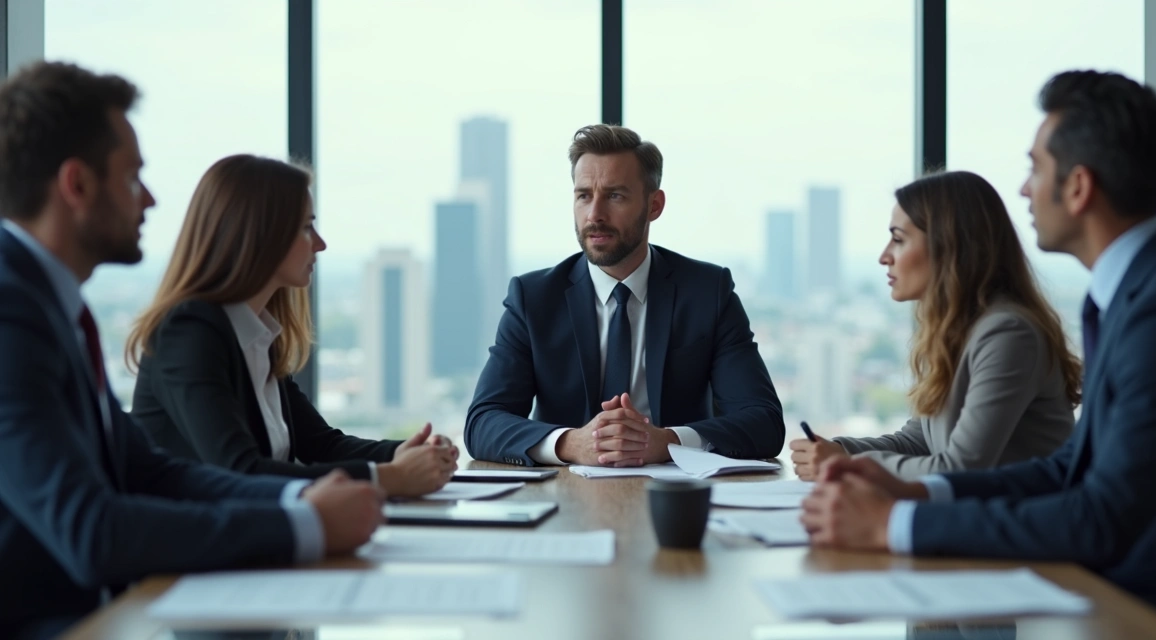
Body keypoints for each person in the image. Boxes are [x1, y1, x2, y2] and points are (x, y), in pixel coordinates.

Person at [800, 70, 1156, 636]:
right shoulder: (1133, 292)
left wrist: (897, 525)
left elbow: (1101, 516)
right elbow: (1071, 468)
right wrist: (916, 489)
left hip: (1155, 613)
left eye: (1034, 168)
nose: (1023, 190)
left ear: (1078, 188)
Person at [0, 62, 384, 640]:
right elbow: (91, 531)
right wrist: (301, 524)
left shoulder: (49, 307)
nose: (151, 199)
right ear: (77, 185)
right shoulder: (12, 316)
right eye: (133, 178)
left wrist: (303, 498)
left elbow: (153, 472)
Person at [127, 154, 457, 498]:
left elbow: (321, 445)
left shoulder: (254, 333)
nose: (320, 243)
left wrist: (406, 454)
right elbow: (241, 471)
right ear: (257, 235)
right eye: (305, 227)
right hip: (192, 546)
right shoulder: (188, 333)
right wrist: (387, 477)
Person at [464, 124, 784, 467]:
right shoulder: (534, 299)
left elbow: (763, 422)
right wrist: (570, 443)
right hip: (565, 502)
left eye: (615, 195)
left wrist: (669, 441)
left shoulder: (707, 292)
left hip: (675, 502)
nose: (595, 215)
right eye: (584, 195)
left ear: (654, 206)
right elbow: (483, 422)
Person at [790, 171, 1080, 481]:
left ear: (948, 247)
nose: (884, 256)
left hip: (1021, 523)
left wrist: (848, 463)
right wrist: (839, 450)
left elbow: (960, 468)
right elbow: (919, 442)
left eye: (898, 240)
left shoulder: (1009, 335)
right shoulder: (951, 331)